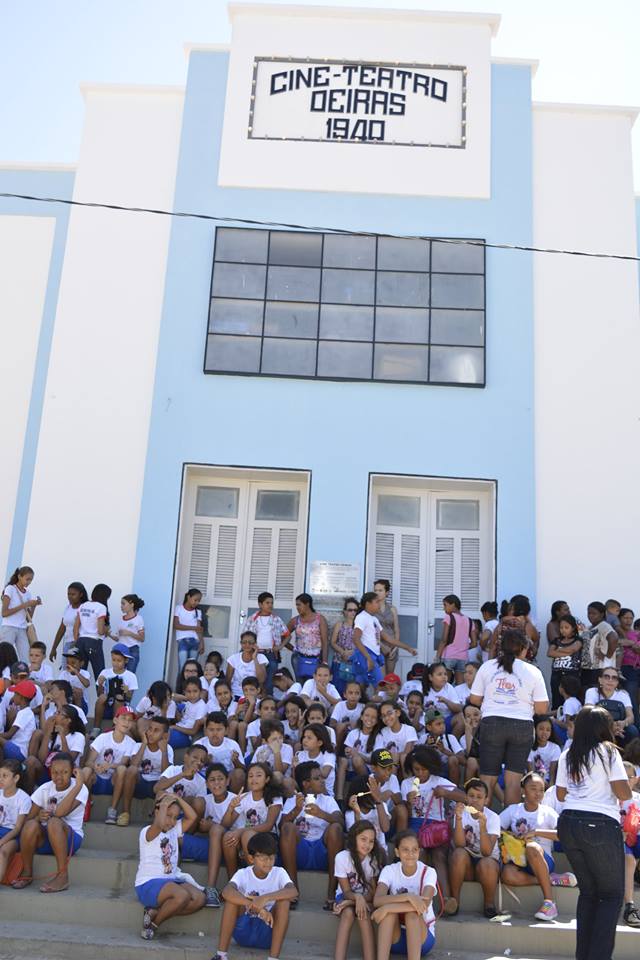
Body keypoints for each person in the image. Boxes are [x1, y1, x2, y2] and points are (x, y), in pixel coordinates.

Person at [556, 705, 631, 960]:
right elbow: (623, 794)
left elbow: (560, 794)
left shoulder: (568, 753)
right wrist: (629, 788)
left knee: (589, 894)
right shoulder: (608, 751)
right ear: (603, 728)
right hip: (599, 825)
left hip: (568, 823)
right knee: (611, 896)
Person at [470, 629, 549, 805]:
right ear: (524, 649)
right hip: (522, 726)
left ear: (501, 647)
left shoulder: (487, 666)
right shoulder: (533, 671)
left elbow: (474, 699)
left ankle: (482, 825)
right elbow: (542, 708)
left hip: (491, 724)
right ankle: (508, 830)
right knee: (513, 781)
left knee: (487, 779)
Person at [211, 832, 297, 960]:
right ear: (251, 859)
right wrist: (254, 905)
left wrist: (265, 898)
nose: (268, 862)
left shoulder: (279, 873)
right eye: (263, 858)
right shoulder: (243, 874)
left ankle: (273, 958)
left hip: (268, 931)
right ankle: (221, 955)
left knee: (284, 902)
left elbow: (293, 891)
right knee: (232, 901)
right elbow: (226, 892)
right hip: (244, 929)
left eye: (271, 857)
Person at [12, 753, 88, 893]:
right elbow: (28, 820)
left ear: (73, 771)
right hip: (47, 840)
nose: (59, 776)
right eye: (54, 772)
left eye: (64, 772)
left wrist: (77, 786)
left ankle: (62, 876)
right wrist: (38, 818)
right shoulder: (45, 788)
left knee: (54, 821)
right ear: (50, 772)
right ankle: (27, 872)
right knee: (31, 825)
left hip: (71, 839)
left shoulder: (81, 788)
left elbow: (59, 813)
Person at [134, 791, 206, 940]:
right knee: (182, 895)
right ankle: (153, 926)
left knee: (199, 899)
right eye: (168, 815)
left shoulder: (174, 831)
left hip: (171, 880)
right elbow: (159, 824)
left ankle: (154, 913)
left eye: (175, 817)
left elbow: (192, 816)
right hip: (148, 883)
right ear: (157, 812)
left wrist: (177, 798)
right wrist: (163, 804)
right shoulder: (148, 831)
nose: (172, 821)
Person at [499, 771, 569, 922]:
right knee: (507, 875)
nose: (538, 793)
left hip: (542, 858)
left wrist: (536, 832)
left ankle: (550, 903)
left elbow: (563, 834)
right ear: (523, 791)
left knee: (532, 847)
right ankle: (550, 879)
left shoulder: (547, 812)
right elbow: (496, 828)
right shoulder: (513, 810)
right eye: (533, 788)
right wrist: (511, 836)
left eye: (541, 790)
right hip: (520, 860)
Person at [280, 760, 343, 910]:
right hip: (300, 852)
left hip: (323, 852)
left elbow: (341, 821)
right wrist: (296, 809)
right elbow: (281, 825)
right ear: (306, 784)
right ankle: (293, 890)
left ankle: (331, 893)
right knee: (288, 827)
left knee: (335, 828)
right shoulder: (292, 800)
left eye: (322, 777)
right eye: (317, 778)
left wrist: (321, 814)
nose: (322, 781)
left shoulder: (328, 800)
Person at [373, 830, 437, 959]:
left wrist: (387, 908)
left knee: (411, 914)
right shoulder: (390, 870)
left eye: (414, 850)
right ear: (397, 852)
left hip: (422, 940)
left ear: (419, 851)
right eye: (405, 850)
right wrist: (408, 897)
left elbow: (423, 905)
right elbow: (377, 900)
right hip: (395, 939)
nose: (410, 854)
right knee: (389, 916)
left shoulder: (428, 872)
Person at [448, 777, 500, 917]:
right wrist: (458, 819)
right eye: (471, 796)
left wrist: (482, 827)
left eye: (479, 797)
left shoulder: (493, 817)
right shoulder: (462, 813)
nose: (475, 800)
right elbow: (459, 844)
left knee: (487, 862)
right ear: (466, 797)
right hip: (468, 865)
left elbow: (487, 852)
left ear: (486, 800)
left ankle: (489, 903)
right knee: (458, 853)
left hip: (487, 865)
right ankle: (455, 902)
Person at [333, 821, 383, 960]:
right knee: (348, 914)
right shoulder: (342, 857)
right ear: (354, 838)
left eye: (371, 841)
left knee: (363, 913)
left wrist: (358, 900)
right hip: (345, 897)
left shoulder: (372, 860)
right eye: (363, 839)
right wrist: (356, 899)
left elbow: (373, 893)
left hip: (365, 899)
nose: (367, 845)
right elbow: (346, 891)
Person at [221, 761, 283, 868]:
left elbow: (268, 825)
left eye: (259, 775)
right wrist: (230, 808)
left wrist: (240, 831)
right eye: (250, 776)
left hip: (268, 837)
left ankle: (255, 877)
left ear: (267, 779)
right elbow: (225, 824)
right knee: (228, 836)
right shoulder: (244, 797)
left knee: (247, 834)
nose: (254, 779)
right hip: (247, 836)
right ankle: (232, 879)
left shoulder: (274, 797)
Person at [352, 592, 416, 690]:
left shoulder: (374, 619)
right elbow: (356, 639)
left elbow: (388, 638)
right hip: (365, 656)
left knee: (360, 689)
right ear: (368, 604)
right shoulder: (361, 617)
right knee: (380, 687)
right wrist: (368, 658)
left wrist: (407, 648)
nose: (379, 604)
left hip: (373, 655)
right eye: (377, 602)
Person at [120, 717, 173, 827]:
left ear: (165, 735)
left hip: (157, 787)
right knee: (131, 770)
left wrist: (164, 752)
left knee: (166, 784)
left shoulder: (168, 749)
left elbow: (166, 773)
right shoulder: (138, 745)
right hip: (139, 783)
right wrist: (144, 743)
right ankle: (126, 813)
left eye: (156, 730)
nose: (151, 733)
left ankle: (156, 819)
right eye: (150, 729)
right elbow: (133, 764)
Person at [243, 592, 290, 694]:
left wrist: (280, 646)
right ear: (260, 604)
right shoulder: (252, 619)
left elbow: (287, 635)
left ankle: (267, 704)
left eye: (271, 603)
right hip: (255, 654)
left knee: (269, 683)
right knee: (255, 681)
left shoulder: (276, 619)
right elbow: (245, 635)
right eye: (267, 603)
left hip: (270, 654)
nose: (270, 605)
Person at [92, 643, 138, 736]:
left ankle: (114, 728)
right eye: (113, 660)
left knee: (119, 697)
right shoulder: (105, 672)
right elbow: (99, 695)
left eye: (119, 660)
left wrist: (127, 690)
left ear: (126, 660)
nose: (115, 663)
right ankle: (96, 728)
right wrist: (100, 685)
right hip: (106, 706)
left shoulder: (131, 676)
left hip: (122, 706)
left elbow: (129, 698)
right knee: (102, 697)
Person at [584, 667, 639, 745]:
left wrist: (623, 723)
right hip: (598, 725)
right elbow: (587, 712)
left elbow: (631, 717)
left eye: (614, 678)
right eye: (606, 677)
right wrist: (609, 726)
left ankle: (627, 756)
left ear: (617, 682)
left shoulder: (623, 695)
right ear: (600, 680)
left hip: (619, 727)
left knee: (632, 730)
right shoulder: (592, 692)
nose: (610, 680)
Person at [1, 566, 41, 663]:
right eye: (27, 579)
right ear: (19, 576)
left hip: (22, 629)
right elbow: (4, 613)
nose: (29, 582)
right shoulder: (10, 589)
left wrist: (34, 605)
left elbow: (29, 618)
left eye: (31, 580)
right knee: (4, 656)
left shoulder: (28, 593)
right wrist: (25, 604)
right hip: (9, 627)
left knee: (26, 658)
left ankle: (24, 677)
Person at [0, 758, 31, 881]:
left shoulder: (23, 799)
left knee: (3, 852)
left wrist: (1, 841)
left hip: (13, 835)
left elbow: (18, 828)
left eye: (5, 776)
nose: (1, 779)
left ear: (16, 778)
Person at [73, 583, 111, 682]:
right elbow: (100, 631)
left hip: (81, 641)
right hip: (94, 642)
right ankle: (101, 696)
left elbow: (76, 626)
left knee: (80, 673)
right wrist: (106, 630)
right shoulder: (101, 607)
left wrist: (77, 641)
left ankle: (77, 696)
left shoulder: (83, 605)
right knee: (100, 674)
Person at [286, 593, 328, 682]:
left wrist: (324, 662)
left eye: (299, 604)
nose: (297, 607)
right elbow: (283, 637)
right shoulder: (295, 620)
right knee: (300, 683)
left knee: (315, 684)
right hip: (299, 658)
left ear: (307, 604)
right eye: (296, 605)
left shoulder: (320, 619)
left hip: (316, 659)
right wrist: (293, 648)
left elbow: (325, 642)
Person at [436, 595, 475, 684]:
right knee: (460, 686)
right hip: (463, 657)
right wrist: (463, 647)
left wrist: (437, 656)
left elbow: (444, 640)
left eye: (445, 605)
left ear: (453, 604)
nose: (444, 608)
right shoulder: (469, 620)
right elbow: (474, 643)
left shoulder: (449, 617)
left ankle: (445, 698)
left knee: (445, 684)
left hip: (449, 655)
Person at [579, 602, 619, 691]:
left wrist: (607, 656)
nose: (591, 616)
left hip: (599, 668)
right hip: (587, 668)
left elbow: (614, 638)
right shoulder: (590, 627)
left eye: (594, 613)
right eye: (589, 613)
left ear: (601, 614)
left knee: (596, 694)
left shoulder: (603, 625)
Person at [547, 614, 582, 711]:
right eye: (561, 627)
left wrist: (558, 651)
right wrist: (567, 652)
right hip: (556, 675)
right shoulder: (557, 640)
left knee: (570, 700)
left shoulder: (578, 640)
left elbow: (574, 648)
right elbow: (550, 653)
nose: (563, 630)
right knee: (556, 700)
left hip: (572, 675)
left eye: (566, 627)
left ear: (573, 628)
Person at [490, 595, 540, 661]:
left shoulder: (502, 624)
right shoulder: (527, 625)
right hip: (521, 664)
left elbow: (493, 647)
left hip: (505, 664)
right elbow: (536, 640)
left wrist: (490, 664)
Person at [620, 760, 640, 927]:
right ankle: (629, 906)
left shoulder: (638, 799)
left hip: (636, 840)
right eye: (622, 777)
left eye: (629, 777)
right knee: (630, 859)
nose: (626, 781)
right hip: (616, 842)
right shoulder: (610, 798)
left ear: (636, 780)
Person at [49, 582, 88, 662]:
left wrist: (76, 643)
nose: (70, 597)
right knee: (65, 670)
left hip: (78, 644)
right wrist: (54, 648)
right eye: (68, 594)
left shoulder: (84, 608)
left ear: (81, 594)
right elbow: (62, 628)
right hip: (67, 643)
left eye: (73, 594)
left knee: (75, 671)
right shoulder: (68, 607)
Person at [295, 722, 336, 796]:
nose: (305, 740)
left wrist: (302, 768)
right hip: (305, 791)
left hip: (324, 793)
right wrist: (295, 768)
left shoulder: (328, 755)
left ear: (319, 742)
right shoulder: (300, 755)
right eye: (304, 737)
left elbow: (324, 774)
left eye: (309, 738)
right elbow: (297, 779)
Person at [0, 678, 36, 760]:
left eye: (15, 694)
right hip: (15, 748)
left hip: (19, 751)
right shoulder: (25, 712)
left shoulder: (24, 713)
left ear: (21, 697)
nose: (13, 697)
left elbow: (9, 735)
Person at [226, 631, 267, 699]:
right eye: (244, 642)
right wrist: (230, 695)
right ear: (241, 643)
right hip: (236, 694)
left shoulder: (261, 658)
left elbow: (261, 680)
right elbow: (227, 680)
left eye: (250, 643)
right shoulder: (233, 658)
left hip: (254, 695)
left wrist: (255, 658)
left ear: (255, 644)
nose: (247, 645)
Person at [330, 597, 359, 693]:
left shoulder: (360, 626)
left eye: (355, 610)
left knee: (352, 689)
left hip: (355, 662)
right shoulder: (339, 625)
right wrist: (343, 652)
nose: (353, 612)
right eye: (350, 610)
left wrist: (352, 652)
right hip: (339, 660)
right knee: (338, 688)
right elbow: (333, 642)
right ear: (345, 611)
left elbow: (364, 644)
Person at [111, 594, 145, 674]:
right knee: (118, 674)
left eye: (123, 603)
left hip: (132, 650)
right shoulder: (121, 619)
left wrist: (129, 633)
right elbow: (117, 638)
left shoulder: (139, 619)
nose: (121, 606)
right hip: (120, 651)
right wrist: (108, 634)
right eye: (121, 604)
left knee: (129, 676)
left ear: (132, 604)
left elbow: (142, 638)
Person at [169, 678, 207, 748]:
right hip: (180, 727)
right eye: (189, 691)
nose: (192, 694)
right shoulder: (189, 702)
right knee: (172, 704)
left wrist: (175, 727)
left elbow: (193, 731)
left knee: (167, 738)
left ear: (200, 692)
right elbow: (172, 695)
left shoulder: (201, 707)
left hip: (187, 736)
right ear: (184, 692)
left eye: (195, 691)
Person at [373, 580, 401, 675]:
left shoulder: (392, 609)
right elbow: (369, 631)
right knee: (380, 678)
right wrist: (381, 645)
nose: (377, 593)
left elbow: (396, 629)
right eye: (375, 590)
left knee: (389, 678)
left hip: (391, 647)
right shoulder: (371, 609)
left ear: (387, 593)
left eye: (380, 590)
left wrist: (396, 647)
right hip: (377, 646)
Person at [173, 589, 203, 671]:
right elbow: (176, 625)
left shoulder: (198, 612)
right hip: (183, 641)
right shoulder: (178, 608)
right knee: (182, 668)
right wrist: (193, 628)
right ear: (188, 597)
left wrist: (201, 643)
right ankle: (180, 684)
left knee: (193, 668)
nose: (197, 603)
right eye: (195, 600)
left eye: (199, 601)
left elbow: (199, 629)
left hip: (195, 642)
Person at [619, 607, 640, 725]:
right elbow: (617, 641)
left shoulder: (636, 633)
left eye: (631, 618)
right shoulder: (614, 632)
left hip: (636, 668)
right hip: (625, 669)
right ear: (619, 619)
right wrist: (632, 643)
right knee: (631, 700)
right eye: (625, 618)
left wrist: (631, 643)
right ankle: (636, 728)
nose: (628, 621)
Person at [528, 715, 562, 786]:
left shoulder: (555, 748)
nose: (544, 732)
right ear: (535, 729)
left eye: (548, 730)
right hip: (533, 780)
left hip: (548, 781)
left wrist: (550, 787)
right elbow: (530, 773)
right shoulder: (529, 748)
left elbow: (552, 774)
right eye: (541, 729)